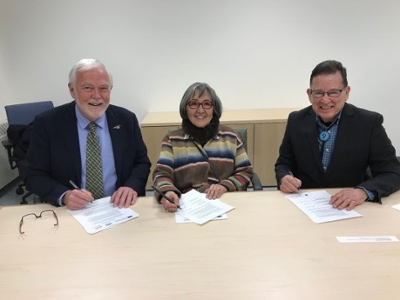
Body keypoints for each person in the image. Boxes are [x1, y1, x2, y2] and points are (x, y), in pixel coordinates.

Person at [20, 58, 151, 210]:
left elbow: (141, 162)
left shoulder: (126, 119)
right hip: (71, 211)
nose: (96, 96)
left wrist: (131, 186)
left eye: (103, 88)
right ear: (72, 90)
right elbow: (33, 173)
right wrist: (64, 195)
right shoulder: (47, 123)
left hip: (118, 208)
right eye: (88, 88)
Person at [275, 60, 400, 210]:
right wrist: (285, 177)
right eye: (318, 93)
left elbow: (392, 173)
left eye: (333, 92)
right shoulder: (296, 120)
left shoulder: (369, 123)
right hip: (305, 205)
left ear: (346, 92)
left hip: (351, 207)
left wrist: (362, 192)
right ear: (309, 94)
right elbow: (283, 163)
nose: (325, 100)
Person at [152, 82, 254, 212]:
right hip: (186, 208)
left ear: (214, 108)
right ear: (185, 109)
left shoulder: (231, 137)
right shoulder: (172, 140)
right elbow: (161, 174)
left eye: (207, 104)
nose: (200, 110)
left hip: (225, 204)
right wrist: (168, 192)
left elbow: (246, 172)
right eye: (194, 104)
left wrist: (225, 186)